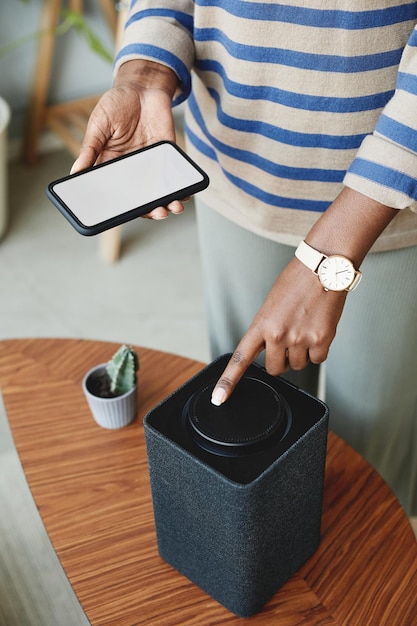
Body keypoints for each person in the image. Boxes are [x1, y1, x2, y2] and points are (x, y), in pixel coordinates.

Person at [72, 2, 417, 516]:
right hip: (233, 174)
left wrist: (329, 258)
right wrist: (144, 73)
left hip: (390, 212)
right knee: (242, 431)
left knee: (369, 462)